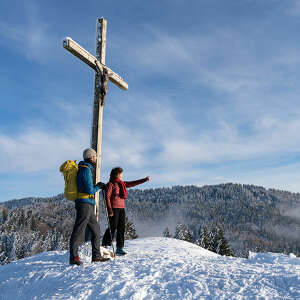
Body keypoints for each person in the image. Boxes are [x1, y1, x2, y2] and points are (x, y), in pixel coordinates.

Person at [69, 148, 109, 265]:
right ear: (91, 157)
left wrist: (98, 186)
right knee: (79, 229)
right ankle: (74, 257)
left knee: (96, 230)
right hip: (84, 203)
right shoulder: (85, 170)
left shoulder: (86, 169)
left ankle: (96, 256)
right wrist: (99, 186)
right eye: (95, 157)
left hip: (88, 204)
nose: (96, 159)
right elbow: (90, 190)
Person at [102, 167, 150, 255]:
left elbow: (133, 183)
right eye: (121, 174)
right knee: (112, 227)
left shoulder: (122, 184)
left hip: (121, 208)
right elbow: (107, 197)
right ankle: (105, 245)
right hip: (114, 208)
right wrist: (110, 210)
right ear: (117, 174)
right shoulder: (111, 184)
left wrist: (144, 180)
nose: (122, 176)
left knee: (121, 228)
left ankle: (119, 248)